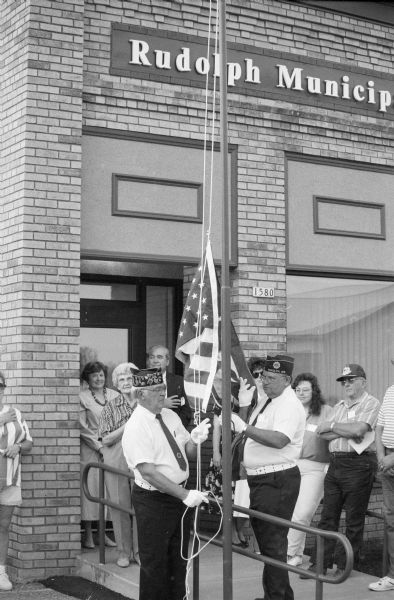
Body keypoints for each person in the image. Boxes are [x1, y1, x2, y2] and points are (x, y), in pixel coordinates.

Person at [122, 368, 211, 600]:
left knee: (178, 559)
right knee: (155, 565)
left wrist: (195, 439)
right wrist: (184, 494)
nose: (163, 394)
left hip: (178, 497)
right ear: (140, 395)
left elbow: (187, 453)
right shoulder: (136, 426)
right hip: (155, 500)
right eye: (156, 390)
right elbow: (149, 473)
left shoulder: (170, 416)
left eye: (163, 389)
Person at [229, 354, 306, 600]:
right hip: (261, 479)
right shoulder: (268, 400)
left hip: (277, 479)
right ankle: (278, 595)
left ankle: (278, 597)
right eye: (263, 376)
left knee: (273, 545)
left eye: (271, 378)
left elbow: (279, 439)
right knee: (269, 544)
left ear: (287, 380)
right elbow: (248, 429)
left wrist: (244, 427)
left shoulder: (289, 404)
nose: (265, 382)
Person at [301, 363, 379, 578]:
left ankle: (344, 568)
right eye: (344, 381)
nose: (347, 384)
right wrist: (345, 431)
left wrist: (335, 427)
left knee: (354, 519)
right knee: (328, 517)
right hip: (336, 463)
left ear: (363, 381)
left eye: (351, 380)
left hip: (358, 464)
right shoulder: (340, 406)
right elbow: (321, 433)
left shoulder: (372, 403)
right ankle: (320, 564)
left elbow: (360, 429)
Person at [287, 373, 333, 566]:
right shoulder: (291, 412)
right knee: (292, 512)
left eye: (306, 389)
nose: (301, 393)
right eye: (297, 390)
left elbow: (335, 436)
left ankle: (288, 553)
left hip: (316, 467)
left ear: (314, 391)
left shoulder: (326, 411)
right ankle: (297, 555)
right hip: (291, 465)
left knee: (303, 512)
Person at [98, 362, 140, 568]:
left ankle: (140, 552)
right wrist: (130, 423)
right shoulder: (110, 407)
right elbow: (105, 439)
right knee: (119, 505)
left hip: (142, 457)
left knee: (142, 505)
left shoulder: (146, 403)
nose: (125, 382)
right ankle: (123, 552)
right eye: (121, 379)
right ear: (115, 384)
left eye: (130, 378)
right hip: (116, 457)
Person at [80, 361, 118, 549]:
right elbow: (82, 427)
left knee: (108, 491)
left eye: (101, 374)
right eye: (94, 375)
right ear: (87, 378)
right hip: (91, 449)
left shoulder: (114, 395)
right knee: (92, 490)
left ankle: (103, 534)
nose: (98, 378)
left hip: (112, 447)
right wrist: (99, 446)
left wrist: (111, 444)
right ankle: (88, 535)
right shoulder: (82, 397)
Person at [0, 371, 33, 591]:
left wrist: (18, 447)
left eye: (0, 387)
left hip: (10, 478)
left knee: (3, 526)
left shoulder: (14, 412)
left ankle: (1, 571)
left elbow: (29, 442)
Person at [368, 383, 394, 592]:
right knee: (391, 521)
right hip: (386, 460)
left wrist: (390, 459)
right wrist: (381, 458)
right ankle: (393, 576)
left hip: (391, 459)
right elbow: (379, 426)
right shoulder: (390, 390)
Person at [147, 345, 192, 429]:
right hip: (149, 430)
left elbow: (186, 412)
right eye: (152, 357)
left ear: (167, 362)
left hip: (173, 432)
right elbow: (138, 407)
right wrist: (162, 404)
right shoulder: (142, 381)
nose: (155, 360)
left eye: (159, 357)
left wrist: (174, 428)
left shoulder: (179, 381)